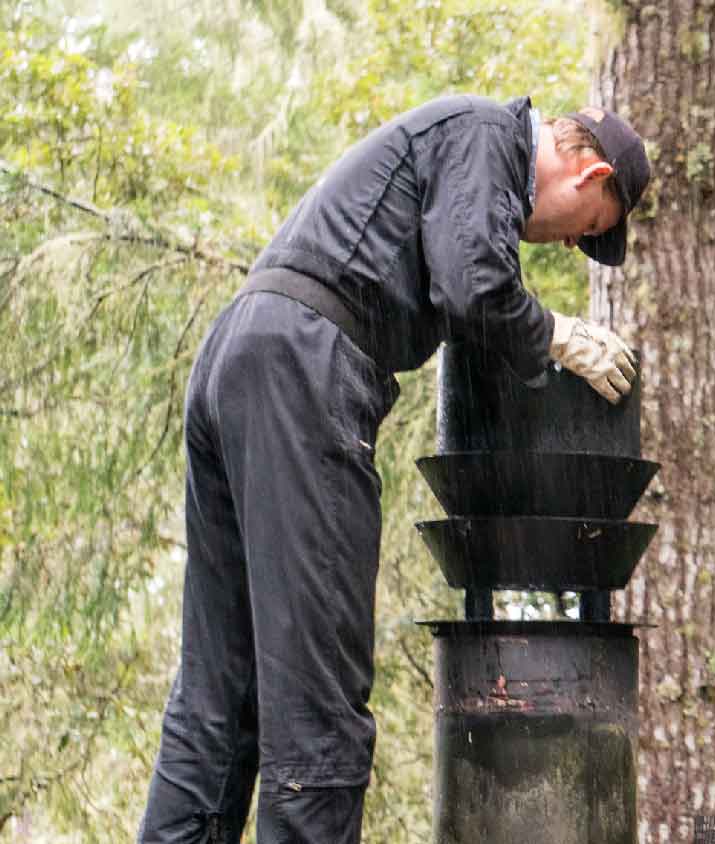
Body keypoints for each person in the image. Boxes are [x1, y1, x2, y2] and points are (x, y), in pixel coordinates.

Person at [137, 94, 652, 843]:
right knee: (319, 711)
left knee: (221, 695)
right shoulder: (488, 137)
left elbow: (461, 284)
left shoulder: (461, 164)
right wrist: (559, 335)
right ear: (588, 170)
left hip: (242, 355)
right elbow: (476, 286)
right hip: (304, 372)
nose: (572, 246)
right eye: (591, 227)